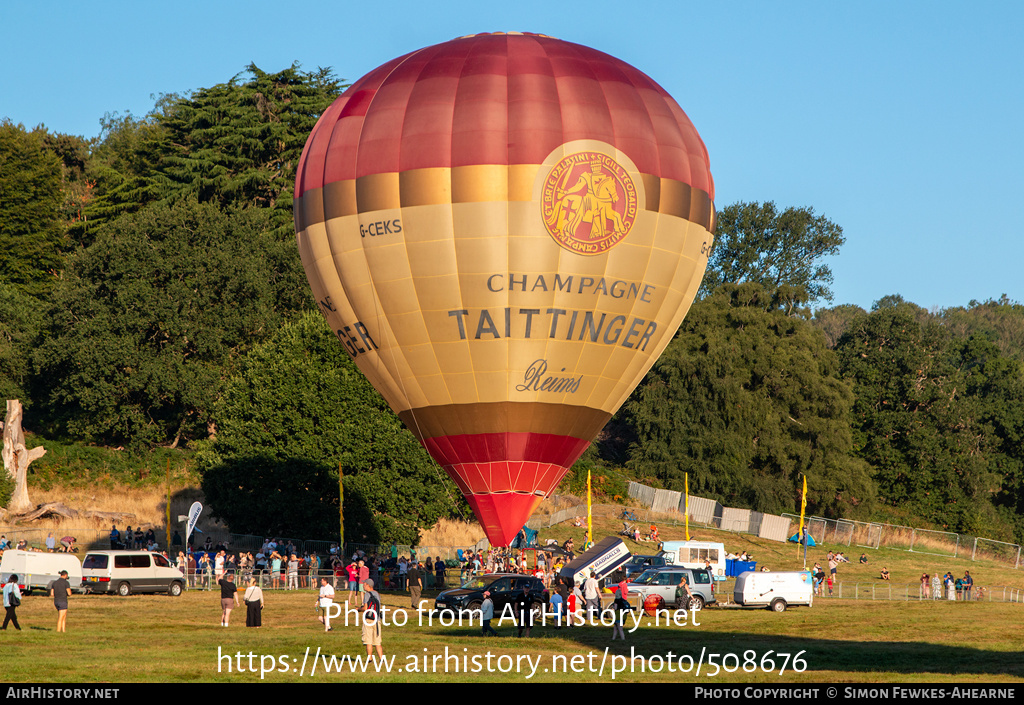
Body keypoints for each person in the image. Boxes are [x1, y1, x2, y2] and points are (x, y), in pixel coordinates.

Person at [361, 579, 384, 660]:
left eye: (364, 584)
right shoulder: (377, 594)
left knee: (368, 641)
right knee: (377, 642)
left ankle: (370, 659)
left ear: (368, 585)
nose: (363, 585)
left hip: (369, 620)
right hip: (377, 620)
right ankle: (381, 659)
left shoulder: (367, 594)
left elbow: (366, 608)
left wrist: (359, 609)